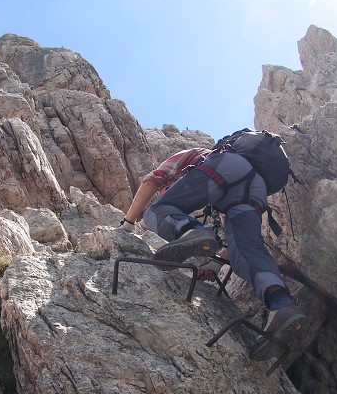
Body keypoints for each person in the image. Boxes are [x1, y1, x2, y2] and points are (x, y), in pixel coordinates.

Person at [119, 142, 309, 362]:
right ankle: (281, 305)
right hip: (256, 187)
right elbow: (234, 242)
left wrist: (128, 222)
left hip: (226, 167)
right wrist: (216, 263)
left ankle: (190, 230)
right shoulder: (232, 182)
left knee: (156, 211)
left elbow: (155, 178)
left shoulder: (195, 155)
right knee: (249, 249)